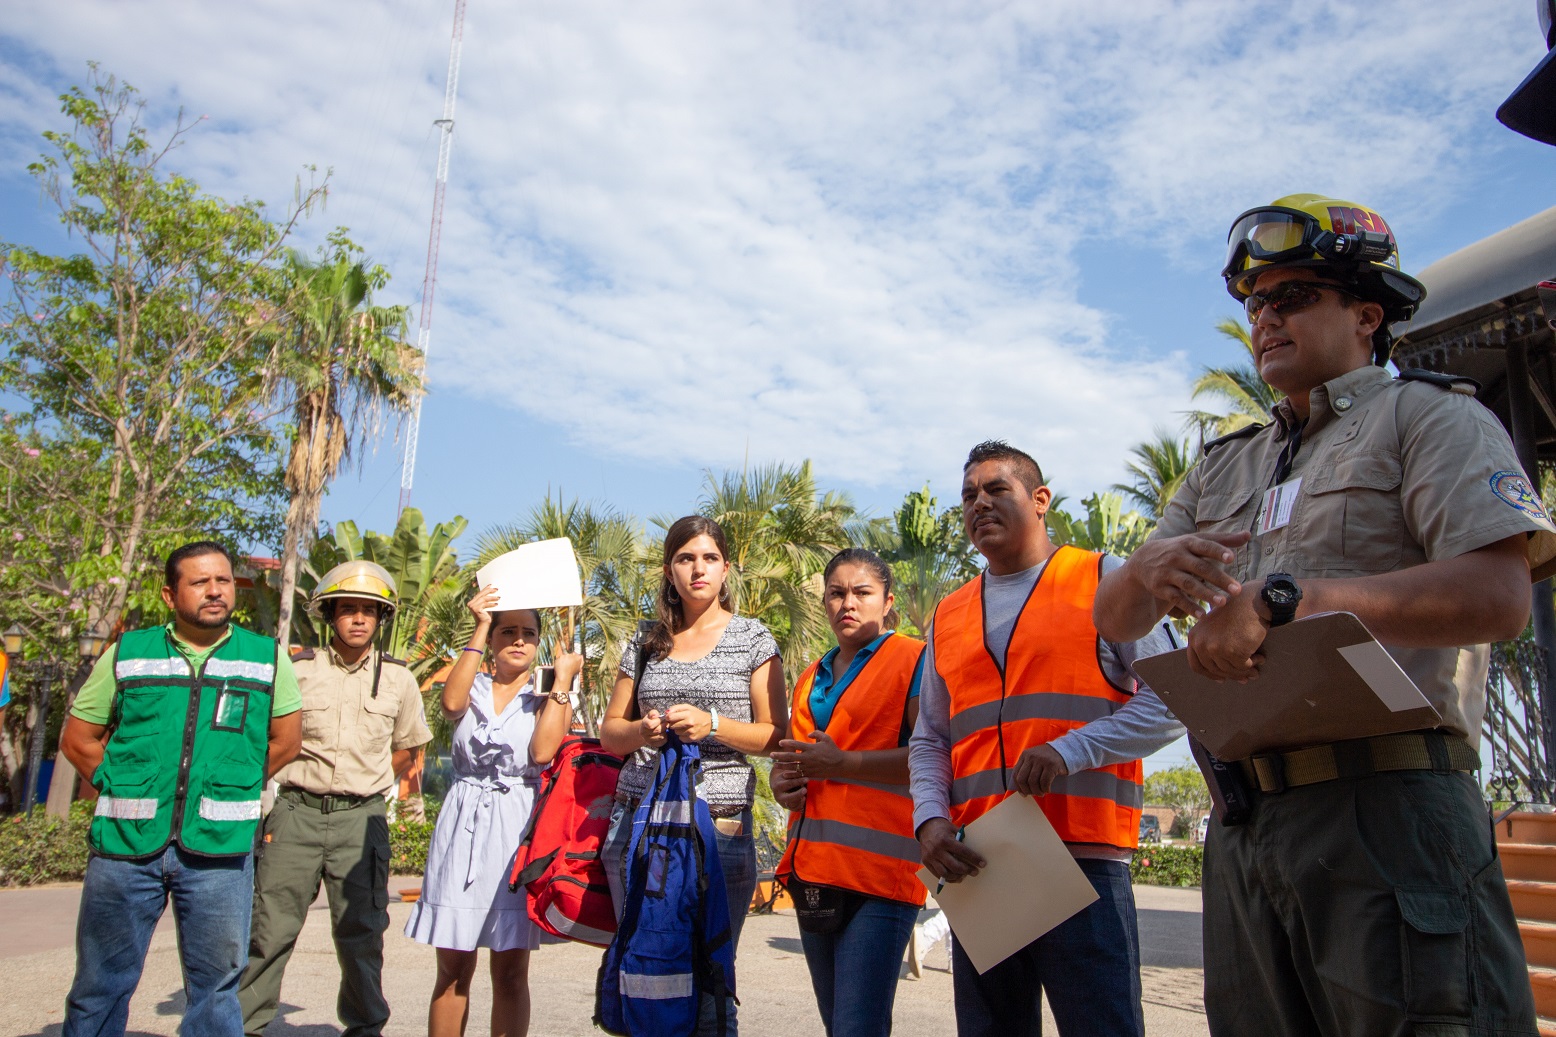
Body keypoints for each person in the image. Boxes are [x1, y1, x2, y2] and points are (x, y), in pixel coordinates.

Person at [1092, 193, 1556, 1035]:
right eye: (1257, 302)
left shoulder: (1431, 417)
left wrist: (1290, 600)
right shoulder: (1224, 464)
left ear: (1367, 313)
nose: (1266, 318)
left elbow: (1501, 597)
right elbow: (1116, 618)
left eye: (1295, 297)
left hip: (1388, 809)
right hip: (1245, 823)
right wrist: (1147, 568)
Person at [910, 441, 1182, 1037]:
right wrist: (930, 821)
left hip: (1082, 860)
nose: (979, 503)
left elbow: (1174, 700)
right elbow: (930, 737)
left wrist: (1071, 750)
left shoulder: (1105, 578)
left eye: (995, 489)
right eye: (968, 496)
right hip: (982, 863)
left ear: (1040, 501)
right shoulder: (950, 614)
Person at [57, 541, 303, 1037]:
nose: (215, 591)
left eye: (224, 581)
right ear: (170, 595)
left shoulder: (266, 657)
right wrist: (122, 786)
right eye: (200, 582)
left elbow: (286, 742)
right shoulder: (128, 653)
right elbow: (78, 739)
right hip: (125, 849)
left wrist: (230, 788)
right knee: (100, 984)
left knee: (216, 991)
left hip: (219, 853)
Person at [599, 514, 787, 1036]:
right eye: (686, 558)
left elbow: (776, 736)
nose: (697, 569)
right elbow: (610, 733)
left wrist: (715, 725)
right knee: (645, 969)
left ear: (727, 568)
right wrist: (643, 731)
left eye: (709, 558)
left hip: (719, 828)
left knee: (709, 978)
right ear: (669, 568)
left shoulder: (752, 637)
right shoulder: (644, 639)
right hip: (639, 826)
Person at [238, 560, 433, 1037]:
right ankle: (246, 1026)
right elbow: (263, 735)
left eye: (370, 611)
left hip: (360, 821)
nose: (359, 619)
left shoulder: (398, 680)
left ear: (381, 619)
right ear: (329, 615)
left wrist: (369, 781)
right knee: (269, 931)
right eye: (348, 610)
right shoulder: (297, 669)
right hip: (295, 814)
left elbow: (410, 746)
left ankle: (366, 1027)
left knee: (362, 934)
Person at [405, 586, 582, 1037]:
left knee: (509, 973)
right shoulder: (474, 685)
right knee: (452, 971)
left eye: (528, 633)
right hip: (462, 822)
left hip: (516, 828)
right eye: (508, 631)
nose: (518, 641)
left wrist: (562, 683)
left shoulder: (549, 696)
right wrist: (481, 624)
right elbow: (449, 704)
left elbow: (543, 752)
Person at [772, 548, 927, 1037]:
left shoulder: (913, 659)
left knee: (857, 1027)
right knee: (839, 1025)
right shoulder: (807, 678)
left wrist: (845, 764)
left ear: (887, 602)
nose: (848, 604)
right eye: (837, 593)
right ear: (823, 602)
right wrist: (784, 786)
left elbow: (933, 759)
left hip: (881, 876)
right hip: (813, 871)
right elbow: (799, 768)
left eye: (862, 593)